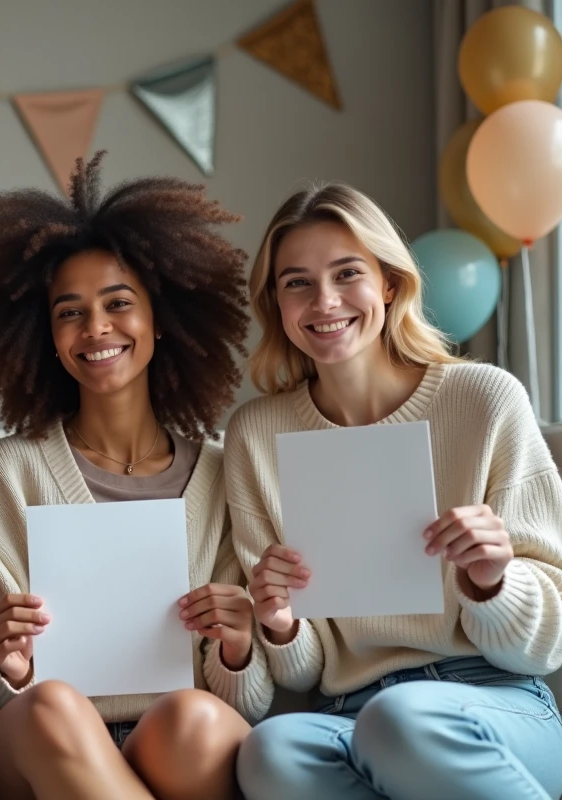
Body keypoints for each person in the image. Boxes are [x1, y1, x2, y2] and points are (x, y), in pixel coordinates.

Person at [0, 151, 272, 800]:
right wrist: (5, 661)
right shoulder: (13, 471)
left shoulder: (219, 473)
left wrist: (237, 647)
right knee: (55, 707)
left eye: (118, 303)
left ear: (162, 317)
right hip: (37, 746)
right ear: (46, 333)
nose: (95, 328)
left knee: (198, 717)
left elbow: (252, 700)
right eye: (69, 311)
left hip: (175, 740)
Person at [227, 181, 562, 800]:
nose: (323, 300)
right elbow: (308, 670)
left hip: (497, 701)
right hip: (352, 710)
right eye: (295, 282)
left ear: (388, 282)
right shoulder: (257, 434)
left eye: (346, 273)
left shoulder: (485, 400)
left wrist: (493, 580)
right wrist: (277, 623)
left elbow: (549, 644)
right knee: (270, 750)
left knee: (400, 720)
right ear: (275, 304)